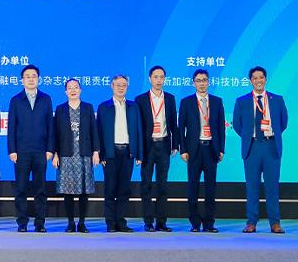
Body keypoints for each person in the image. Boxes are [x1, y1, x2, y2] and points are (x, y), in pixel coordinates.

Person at [233, 66, 289, 234]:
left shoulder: (277, 99)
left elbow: (283, 123)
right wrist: (249, 137)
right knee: (252, 187)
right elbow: (237, 125)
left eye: (261, 77)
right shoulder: (242, 101)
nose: (258, 80)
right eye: (255, 78)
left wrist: (270, 135)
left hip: (271, 147)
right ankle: (251, 222)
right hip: (252, 147)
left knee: (272, 187)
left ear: (265, 79)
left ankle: (275, 223)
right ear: (251, 81)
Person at [7, 64, 54, 232]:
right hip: (21, 152)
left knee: (40, 189)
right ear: (22, 80)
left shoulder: (46, 99)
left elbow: (50, 126)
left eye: (34, 76)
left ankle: (40, 223)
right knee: (21, 189)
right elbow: (11, 127)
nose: (31, 79)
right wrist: (12, 150)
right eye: (27, 76)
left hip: (41, 151)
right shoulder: (15, 100)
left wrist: (50, 149)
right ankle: (22, 223)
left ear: (38, 79)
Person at [179, 68, 225, 233]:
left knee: (211, 188)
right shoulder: (186, 102)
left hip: (211, 149)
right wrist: (183, 149)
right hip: (194, 150)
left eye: (204, 80)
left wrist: (221, 149)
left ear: (209, 82)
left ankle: (209, 223)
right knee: (193, 187)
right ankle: (195, 223)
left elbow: (221, 128)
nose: (202, 83)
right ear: (193, 83)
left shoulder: (217, 101)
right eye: (198, 80)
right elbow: (181, 128)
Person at [134, 65, 178, 232]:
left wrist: (175, 145)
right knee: (146, 184)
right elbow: (138, 128)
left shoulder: (170, 98)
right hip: (148, 146)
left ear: (164, 79)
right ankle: (148, 221)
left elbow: (174, 124)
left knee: (162, 185)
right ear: (150, 79)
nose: (159, 80)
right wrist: (138, 151)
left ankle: (161, 222)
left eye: (161, 77)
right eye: (155, 77)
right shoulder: (141, 99)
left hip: (164, 145)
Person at [96, 75, 143, 232]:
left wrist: (139, 153)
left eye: (124, 85)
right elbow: (98, 132)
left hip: (128, 152)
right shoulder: (104, 107)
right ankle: (110, 223)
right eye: (118, 85)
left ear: (127, 87)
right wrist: (101, 154)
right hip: (110, 154)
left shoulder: (133, 107)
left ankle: (121, 222)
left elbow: (138, 130)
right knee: (110, 189)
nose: (121, 88)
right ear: (112, 86)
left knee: (124, 190)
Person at [52, 79, 99, 233]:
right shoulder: (60, 109)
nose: (73, 90)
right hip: (66, 154)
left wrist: (96, 151)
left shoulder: (88, 107)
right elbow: (55, 134)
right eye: (70, 88)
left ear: (81, 90)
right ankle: (71, 222)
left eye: (76, 87)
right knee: (68, 190)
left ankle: (82, 222)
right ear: (65, 91)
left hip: (84, 153)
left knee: (84, 190)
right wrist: (55, 154)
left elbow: (94, 131)